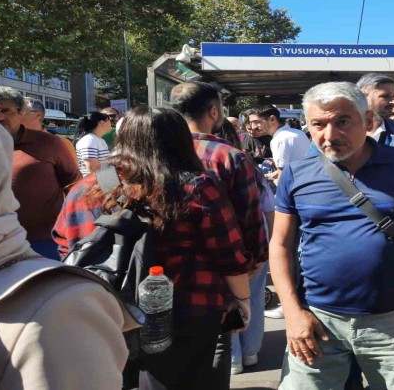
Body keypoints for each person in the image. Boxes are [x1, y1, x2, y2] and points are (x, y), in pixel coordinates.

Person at [269, 82, 394, 390]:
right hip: (317, 318)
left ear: (368, 121)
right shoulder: (296, 173)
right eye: (318, 124)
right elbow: (280, 245)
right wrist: (292, 312)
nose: (329, 135)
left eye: (342, 121)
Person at [53, 107, 254, 389]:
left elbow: (66, 243)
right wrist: (243, 301)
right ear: (180, 140)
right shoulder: (195, 186)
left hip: (109, 313)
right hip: (187, 311)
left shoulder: (91, 186)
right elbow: (228, 254)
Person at [0, 117, 138, 390]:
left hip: (98, 281)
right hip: (134, 296)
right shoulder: (144, 184)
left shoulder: (96, 181)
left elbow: (62, 233)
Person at [170, 82, 267, 388]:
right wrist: (253, 266)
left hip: (162, 274)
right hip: (220, 273)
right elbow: (251, 220)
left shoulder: (156, 152)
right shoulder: (230, 157)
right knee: (216, 353)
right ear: (214, 111)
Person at [0, 86, 81, 259]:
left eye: (6, 110)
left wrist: (75, 230)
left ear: (21, 112)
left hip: (44, 241)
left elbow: (74, 185)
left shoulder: (49, 143)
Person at [216, 118, 276, 376]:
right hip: (255, 233)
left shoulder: (203, 165)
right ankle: (250, 352)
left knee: (225, 296)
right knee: (252, 294)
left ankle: (234, 358)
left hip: (223, 235)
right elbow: (268, 207)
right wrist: (269, 244)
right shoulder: (249, 165)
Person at [249, 106, 310, 183]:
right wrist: (266, 177)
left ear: (272, 119)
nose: (253, 127)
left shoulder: (280, 139)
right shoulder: (298, 133)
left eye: (257, 122)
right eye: (251, 123)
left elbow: (283, 176)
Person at [356, 73, 394, 151]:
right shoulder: (345, 128)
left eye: (393, 96)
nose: (393, 102)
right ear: (363, 97)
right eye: (386, 96)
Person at [21, 97, 77, 163]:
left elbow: (71, 172)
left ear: (38, 115)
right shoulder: (10, 142)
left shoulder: (61, 144)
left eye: (20, 111)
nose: (15, 115)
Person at [74, 111, 112, 176]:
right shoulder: (89, 140)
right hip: (94, 183)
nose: (111, 124)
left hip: (104, 182)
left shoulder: (100, 140)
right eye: (109, 121)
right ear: (102, 123)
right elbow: (92, 168)